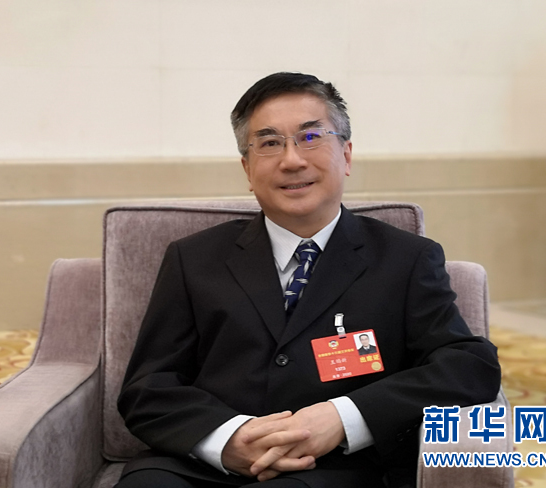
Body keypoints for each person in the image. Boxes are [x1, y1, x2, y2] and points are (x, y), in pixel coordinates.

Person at [116, 72, 501, 488]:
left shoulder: (405, 259)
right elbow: (148, 388)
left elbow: (467, 365)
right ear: (247, 169)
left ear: (346, 155)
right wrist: (228, 439)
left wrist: (343, 416)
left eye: (311, 137)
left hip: (336, 470)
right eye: (269, 143)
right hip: (200, 468)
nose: (292, 160)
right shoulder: (193, 259)